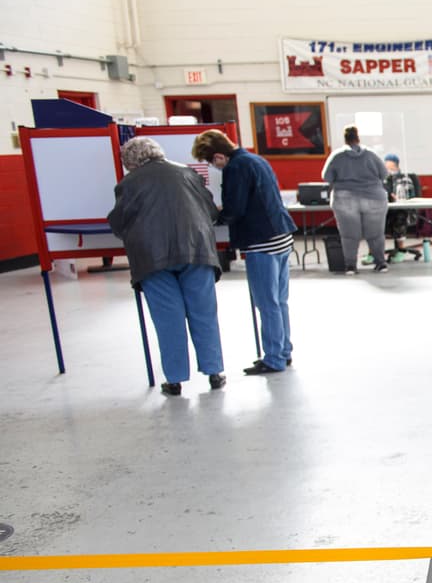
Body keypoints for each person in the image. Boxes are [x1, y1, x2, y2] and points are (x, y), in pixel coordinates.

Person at [107, 137, 225, 397]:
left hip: (153, 258)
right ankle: (214, 372)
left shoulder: (128, 183)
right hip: (197, 252)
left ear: (130, 162)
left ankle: (174, 380)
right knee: (203, 313)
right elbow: (211, 210)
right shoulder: (187, 173)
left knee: (167, 319)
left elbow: (118, 222)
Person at [191, 129, 297, 375]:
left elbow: (235, 208)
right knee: (279, 301)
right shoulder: (256, 159)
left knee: (266, 302)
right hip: (281, 235)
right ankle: (284, 351)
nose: (212, 166)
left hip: (261, 241)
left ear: (218, 156)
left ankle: (273, 359)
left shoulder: (235, 167)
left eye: (209, 161)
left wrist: (216, 216)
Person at [323, 125, 389, 274]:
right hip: (374, 198)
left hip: (345, 199)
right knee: (376, 234)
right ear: (358, 137)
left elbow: (326, 177)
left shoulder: (337, 156)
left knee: (349, 235)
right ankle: (380, 263)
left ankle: (351, 266)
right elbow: (384, 174)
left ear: (345, 138)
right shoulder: (372, 154)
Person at [383, 153, 424, 263]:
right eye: (386, 168)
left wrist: (396, 197)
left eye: (391, 168)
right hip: (387, 210)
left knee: (399, 216)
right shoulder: (384, 180)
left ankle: (400, 249)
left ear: (397, 166)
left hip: (406, 211)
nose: (389, 171)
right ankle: (372, 253)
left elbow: (406, 196)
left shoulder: (404, 179)